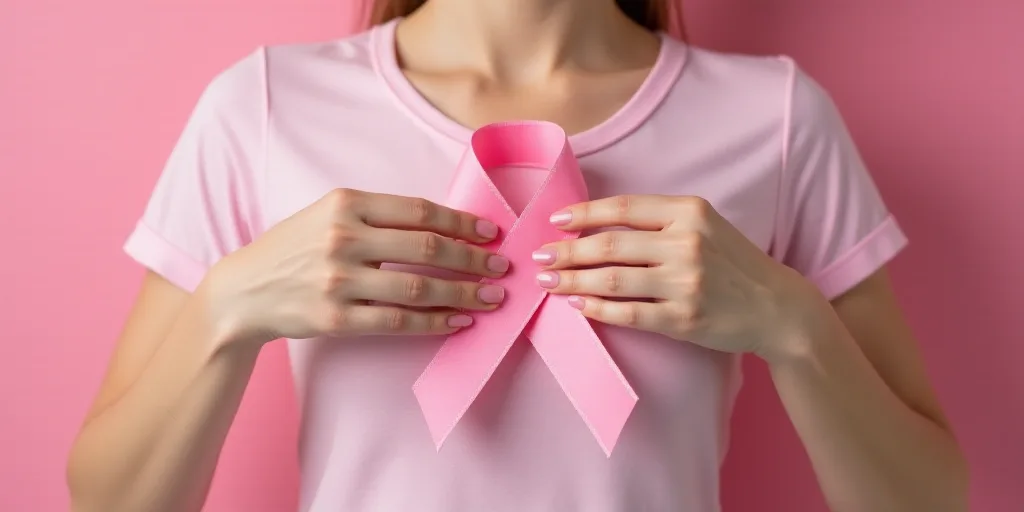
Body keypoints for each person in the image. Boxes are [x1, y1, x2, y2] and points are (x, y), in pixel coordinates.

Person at [66, 0, 969, 511]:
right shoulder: (264, 108)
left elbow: (927, 501)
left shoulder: (775, 120)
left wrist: (791, 324)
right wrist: (229, 308)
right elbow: (111, 502)